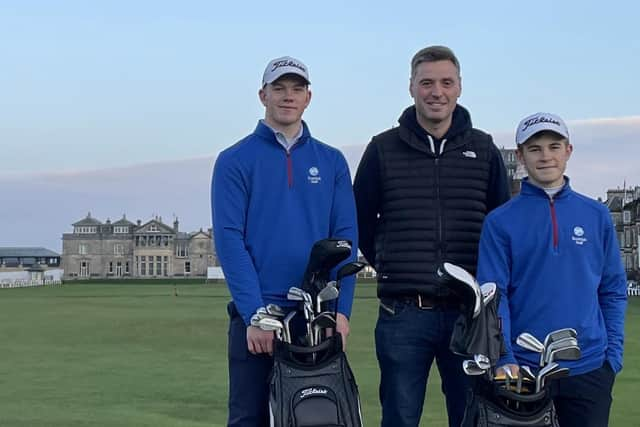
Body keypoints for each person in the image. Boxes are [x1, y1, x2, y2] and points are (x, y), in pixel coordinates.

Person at [353, 45, 511, 427]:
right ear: (411, 88)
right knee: (400, 418)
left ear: (459, 88)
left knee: (471, 417)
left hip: (468, 315)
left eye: (445, 82)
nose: (436, 91)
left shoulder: (484, 149)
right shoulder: (382, 149)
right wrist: (391, 260)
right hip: (404, 313)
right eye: (426, 82)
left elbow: (500, 224)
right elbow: (359, 221)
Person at [211, 56, 358, 427]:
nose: (287, 96)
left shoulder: (331, 161)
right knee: (249, 418)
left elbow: (345, 241)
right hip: (260, 318)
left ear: (308, 97)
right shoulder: (233, 160)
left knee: (317, 418)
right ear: (263, 95)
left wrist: (341, 312)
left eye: (296, 89)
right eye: (279, 88)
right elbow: (230, 241)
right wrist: (255, 314)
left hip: (315, 317)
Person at [476, 112, 627, 427]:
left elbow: (612, 289)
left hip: (589, 367)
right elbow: (493, 297)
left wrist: (612, 357)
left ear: (568, 151)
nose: (545, 156)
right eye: (535, 149)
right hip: (524, 369)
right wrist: (505, 359)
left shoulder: (596, 215)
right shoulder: (500, 221)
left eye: (554, 146)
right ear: (520, 156)